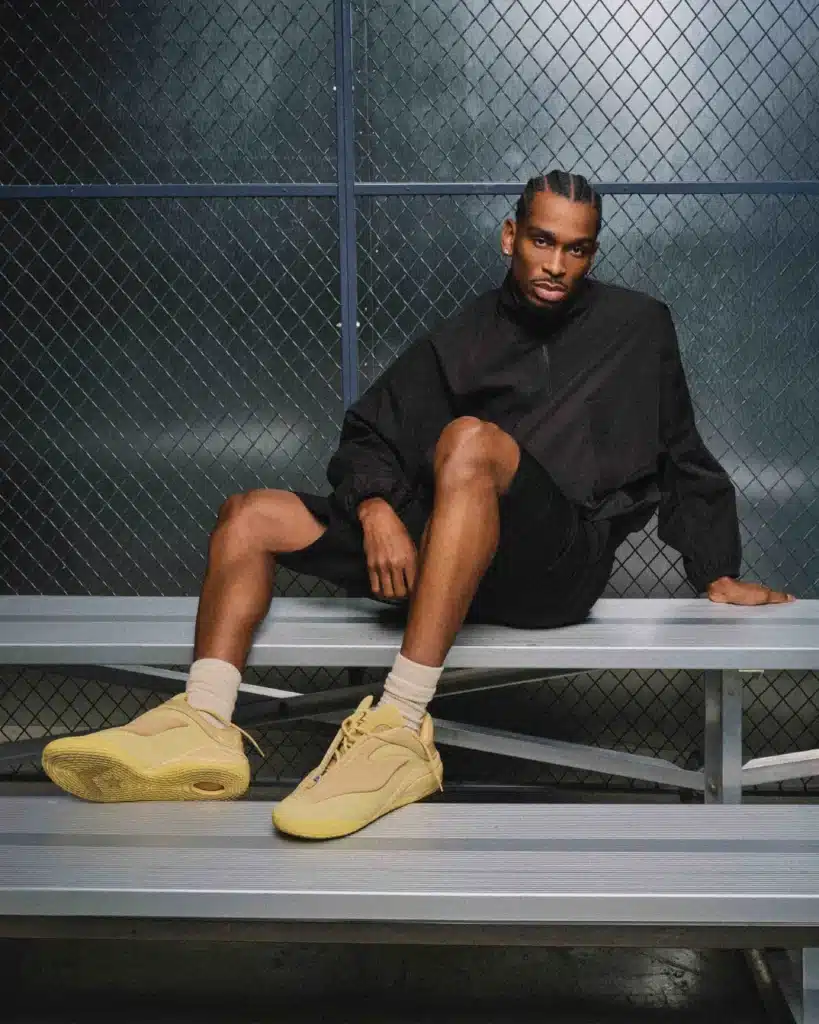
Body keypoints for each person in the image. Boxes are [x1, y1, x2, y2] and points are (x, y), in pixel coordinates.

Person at [41, 169, 793, 837]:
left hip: (555, 565)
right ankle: (204, 722)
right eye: (541, 242)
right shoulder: (462, 337)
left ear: (591, 252)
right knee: (250, 512)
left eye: (576, 249)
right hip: (448, 550)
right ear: (509, 236)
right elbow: (368, 434)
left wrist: (713, 570)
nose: (556, 264)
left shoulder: (636, 327)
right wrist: (374, 509)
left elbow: (681, 450)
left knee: (470, 440)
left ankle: (398, 727)